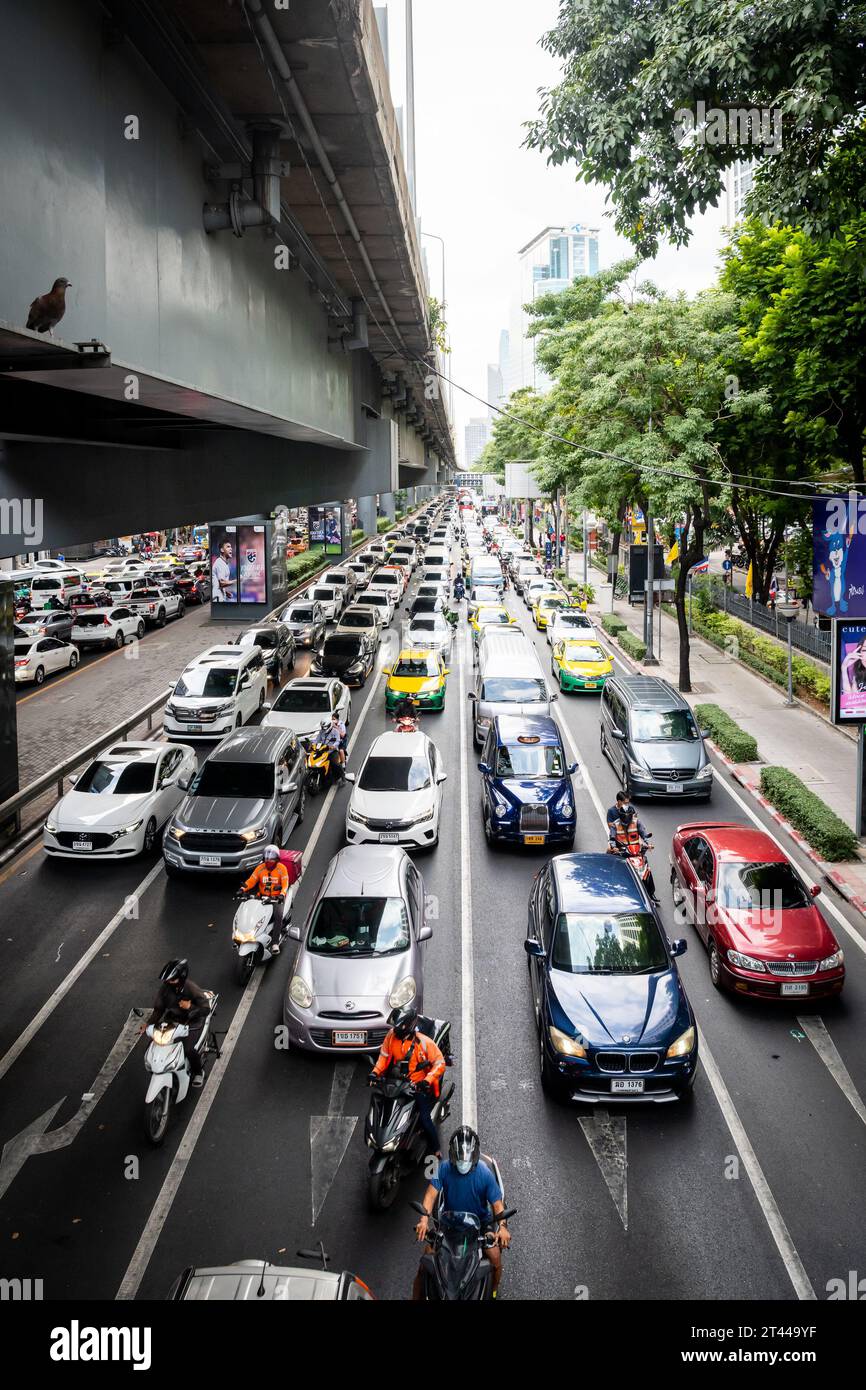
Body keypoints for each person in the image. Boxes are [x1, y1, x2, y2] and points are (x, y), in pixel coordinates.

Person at [413, 1126, 511, 1299]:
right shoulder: (444, 1169)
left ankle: (494, 1291)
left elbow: (497, 1205)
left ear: (473, 1156)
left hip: (480, 1224)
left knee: (495, 1259)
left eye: (465, 1159)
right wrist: (423, 1220)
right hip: (449, 1223)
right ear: (452, 1155)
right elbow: (430, 1196)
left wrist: (502, 1227)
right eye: (458, 1159)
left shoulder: (484, 1174)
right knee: (424, 1266)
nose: (462, 1163)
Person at [371, 1006, 445, 1158]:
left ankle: (435, 1147)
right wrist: (375, 1073)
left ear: (409, 1026)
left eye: (399, 1027)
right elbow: (384, 1058)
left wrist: (427, 1080)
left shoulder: (423, 1043)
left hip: (416, 1086)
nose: (395, 1030)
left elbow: (440, 1063)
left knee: (425, 1119)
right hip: (395, 1083)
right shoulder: (391, 1036)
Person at [145, 959, 211, 1087]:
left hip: (192, 1023)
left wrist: (190, 1006)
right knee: (153, 1045)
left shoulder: (191, 988)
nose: (169, 982)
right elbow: (159, 1009)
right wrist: (148, 1024)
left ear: (181, 978)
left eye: (172, 980)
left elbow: (205, 1009)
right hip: (173, 1022)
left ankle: (198, 1072)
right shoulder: (165, 989)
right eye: (167, 980)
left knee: (188, 1049)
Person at [607, 792, 657, 900]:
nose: (627, 820)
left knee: (646, 867)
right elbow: (611, 837)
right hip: (622, 851)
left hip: (635, 851)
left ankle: (651, 893)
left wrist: (648, 844)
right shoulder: (614, 823)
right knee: (613, 864)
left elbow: (643, 833)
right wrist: (613, 846)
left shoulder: (636, 822)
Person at [241, 844, 290, 953]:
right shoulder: (260, 868)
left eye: (271, 860)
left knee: (278, 915)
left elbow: (285, 883)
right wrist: (242, 889)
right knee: (252, 912)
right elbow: (251, 881)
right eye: (267, 860)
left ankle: (275, 943)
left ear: (277, 859)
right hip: (262, 897)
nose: (268, 862)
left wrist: (282, 894)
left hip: (276, 898)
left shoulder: (282, 869)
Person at [321, 712, 347, 777]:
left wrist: (335, 727)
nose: (333, 720)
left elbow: (342, 735)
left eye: (334, 719)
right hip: (328, 746)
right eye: (332, 719)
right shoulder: (327, 727)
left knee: (340, 752)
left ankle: (343, 769)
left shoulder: (340, 725)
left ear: (337, 719)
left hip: (340, 742)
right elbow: (319, 738)